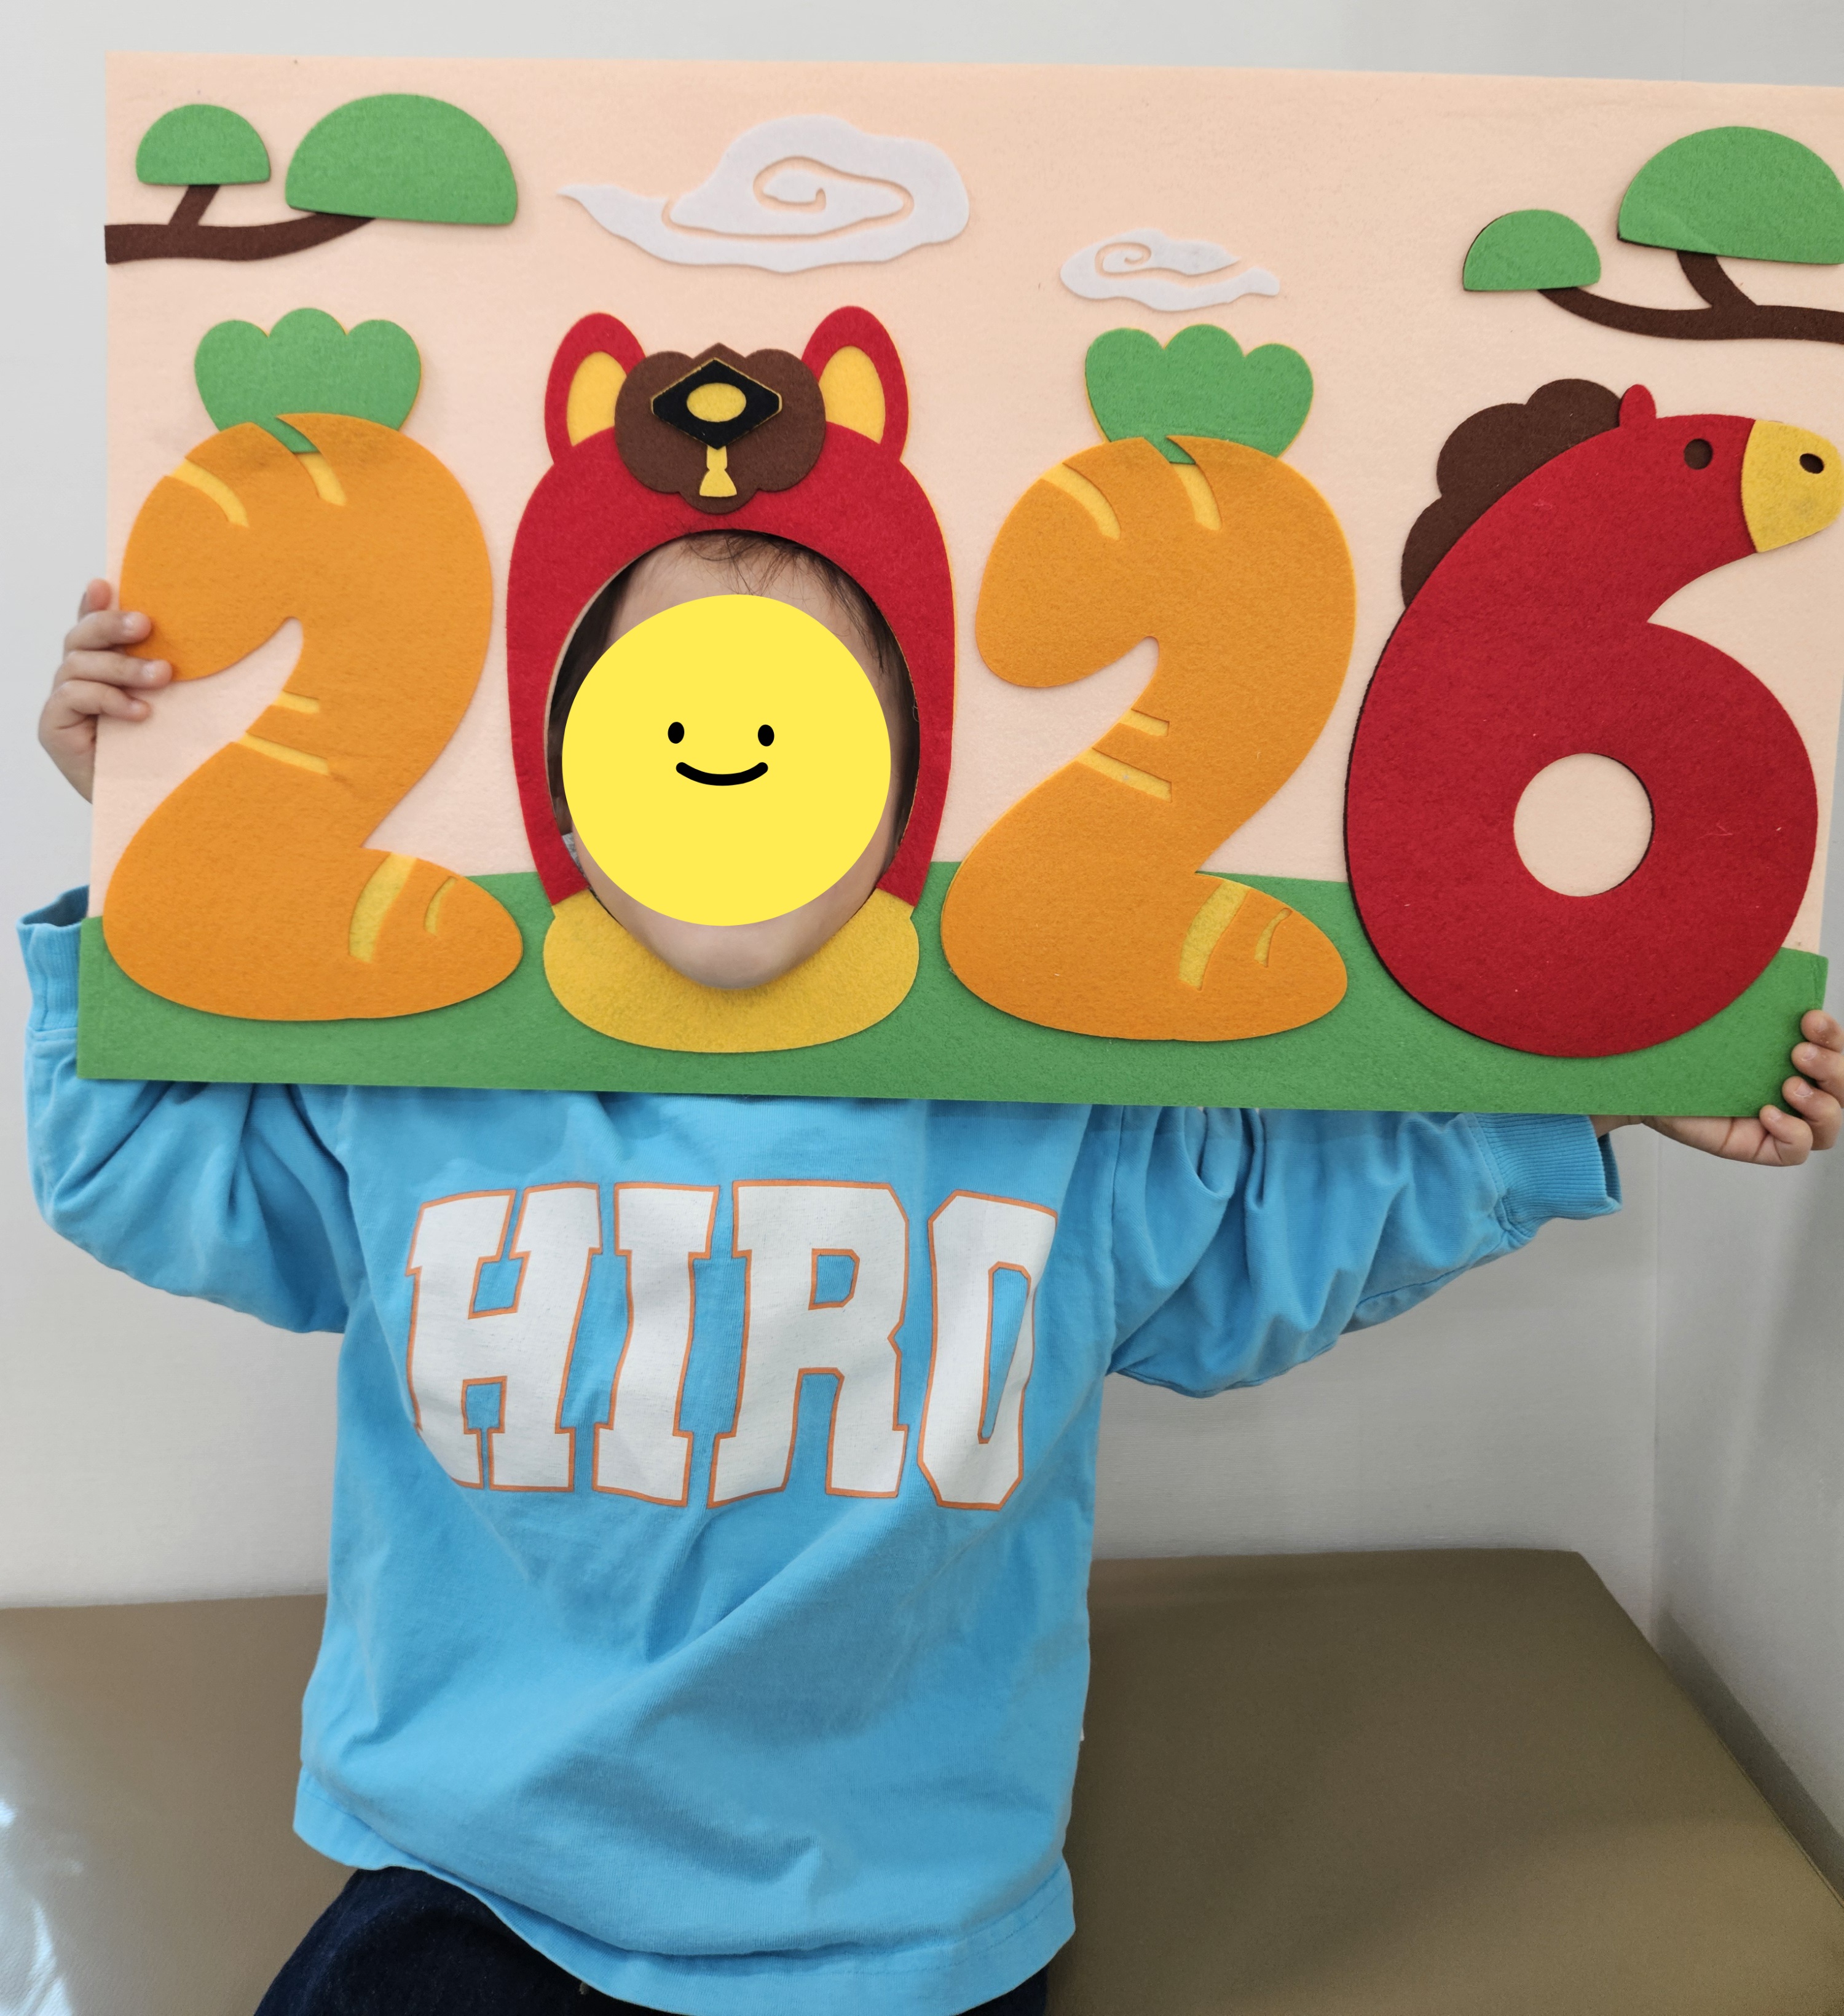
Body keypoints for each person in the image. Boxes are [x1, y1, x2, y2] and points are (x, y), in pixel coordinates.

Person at [30, 551, 1844, 2016]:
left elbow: (1278, 1242)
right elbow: (133, 1169)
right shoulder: (417, 1085)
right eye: (668, 710)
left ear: (907, 782)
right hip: (476, 1885)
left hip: (897, 1932)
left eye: (802, 720)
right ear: (562, 774)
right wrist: (144, 852)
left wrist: (1591, 1092)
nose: (728, 761)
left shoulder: (1042, 1112)